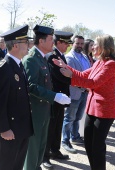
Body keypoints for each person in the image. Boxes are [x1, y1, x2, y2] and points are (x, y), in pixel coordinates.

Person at [53, 34, 115, 170]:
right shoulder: (99, 62)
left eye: (96, 44)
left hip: (104, 111)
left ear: (104, 47)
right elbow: (83, 75)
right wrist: (66, 66)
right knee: (89, 143)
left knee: (97, 145)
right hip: (92, 108)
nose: (92, 47)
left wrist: (71, 77)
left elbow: (93, 83)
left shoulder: (110, 64)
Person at [22, 25, 71, 170]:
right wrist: (54, 96)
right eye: (51, 39)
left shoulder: (42, 58)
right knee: (33, 151)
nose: (53, 42)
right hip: (35, 112)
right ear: (41, 41)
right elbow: (30, 86)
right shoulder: (31, 59)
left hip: (44, 111)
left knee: (41, 148)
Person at [0, 25, 34, 170]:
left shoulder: (19, 65)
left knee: (17, 166)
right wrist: (4, 129)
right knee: (6, 166)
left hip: (21, 128)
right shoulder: (3, 68)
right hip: (10, 130)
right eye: (25, 43)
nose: (28, 46)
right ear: (15, 45)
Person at [42, 31, 73, 169]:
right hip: (54, 98)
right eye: (65, 43)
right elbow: (59, 76)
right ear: (59, 42)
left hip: (61, 98)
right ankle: (45, 156)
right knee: (50, 128)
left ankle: (55, 150)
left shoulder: (60, 56)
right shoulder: (51, 56)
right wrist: (76, 79)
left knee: (58, 126)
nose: (67, 45)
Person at [61, 35, 91, 154]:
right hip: (74, 92)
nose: (79, 45)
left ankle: (75, 137)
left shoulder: (85, 56)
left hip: (84, 92)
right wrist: (83, 86)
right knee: (69, 118)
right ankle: (65, 141)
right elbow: (69, 77)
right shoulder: (69, 58)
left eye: (81, 43)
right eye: (77, 43)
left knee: (78, 117)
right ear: (72, 43)